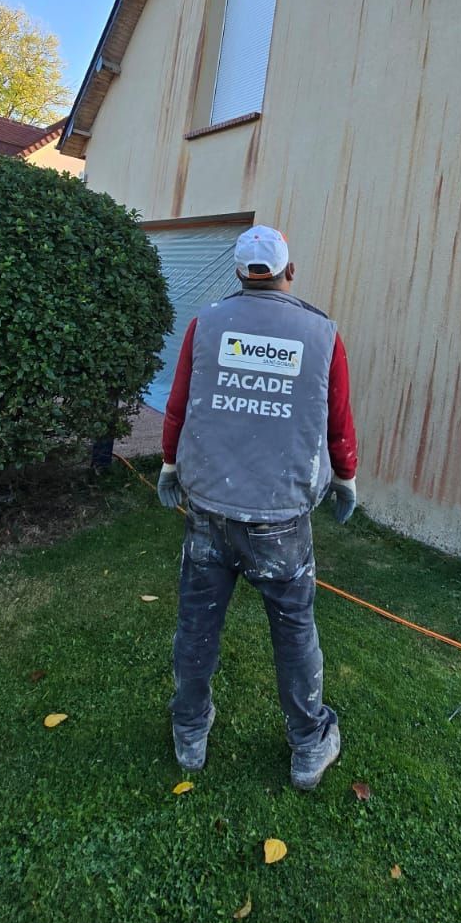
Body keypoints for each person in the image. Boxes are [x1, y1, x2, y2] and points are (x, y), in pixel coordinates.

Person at [157, 225, 358, 790]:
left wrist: (170, 467)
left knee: (197, 625)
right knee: (294, 631)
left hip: (209, 511)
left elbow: (178, 408)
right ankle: (307, 746)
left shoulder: (207, 323)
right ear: (288, 272)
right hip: (281, 520)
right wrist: (345, 479)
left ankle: (190, 735)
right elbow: (338, 420)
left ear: (241, 274)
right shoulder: (321, 333)